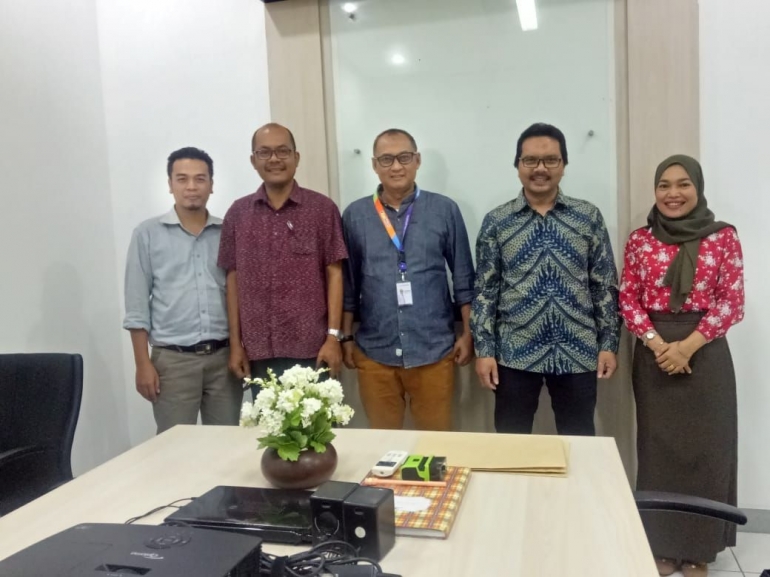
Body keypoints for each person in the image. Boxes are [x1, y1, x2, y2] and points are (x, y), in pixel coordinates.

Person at [619, 155, 744, 577]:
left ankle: (698, 550)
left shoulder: (723, 237)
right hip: (654, 354)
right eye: (664, 185)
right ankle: (664, 547)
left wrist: (687, 347)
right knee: (658, 452)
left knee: (708, 452)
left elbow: (732, 301)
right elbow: (627, 299)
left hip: (705, 351)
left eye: (683, 184)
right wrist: (657, 344)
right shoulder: (640, 240)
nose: (673, 193)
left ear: (698, 188)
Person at [471, 122, 620, 436]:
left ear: (563, 165)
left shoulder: (587, 216)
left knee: (580, 443)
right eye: (530, 161)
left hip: (577, 350)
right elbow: (485, 291)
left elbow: (604, 284)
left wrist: (608, 344)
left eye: (551, 160)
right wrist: (484, 351)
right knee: (512, 446)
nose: (540, 168)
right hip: (514, 352)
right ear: (517, 166)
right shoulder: (497, 222)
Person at [342, 128, 475, 431]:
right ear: (374, 165)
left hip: (433, 351)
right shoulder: (355, 215)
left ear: (417, 160)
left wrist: (468, 333)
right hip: (376, 353)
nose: (396, 167)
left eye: (404, 157)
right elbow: (348, 285)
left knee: (435, 446)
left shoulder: (444, 210)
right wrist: (346, 337)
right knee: (383, 448)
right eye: (386, 159)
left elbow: (465, 278)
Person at [218, 123, 348, 395]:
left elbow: (335, 273)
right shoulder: (238, 213)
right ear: (253, 160)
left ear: (296, 158)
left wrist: (333, 338)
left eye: (282, 151)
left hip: (314, 350)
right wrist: (236, 344)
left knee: (317, 433)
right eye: (264, 153)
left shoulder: (322, 209)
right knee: (270, 433)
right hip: (258, 352)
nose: (274, 159)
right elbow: (233, 278)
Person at [123, 147, 242, 434]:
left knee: (225, 446)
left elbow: (238, 295)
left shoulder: (227, 232)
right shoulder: (147, 234)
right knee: (174, 451)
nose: (191, 187)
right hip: (172, 361)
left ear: (212, 185)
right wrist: (143, 365)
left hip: (223, 359)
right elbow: (137, 305)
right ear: (170, 184)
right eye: (182, 179)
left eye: (200, 179)